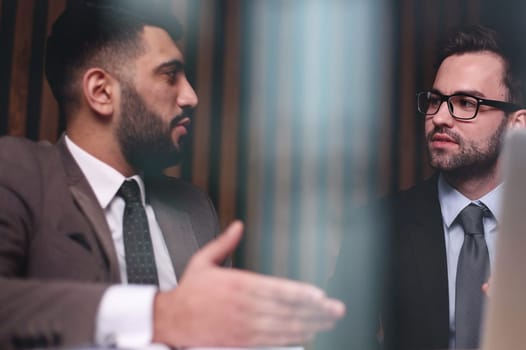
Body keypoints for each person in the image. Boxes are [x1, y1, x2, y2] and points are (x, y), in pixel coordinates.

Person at [0, 1, 345, 349]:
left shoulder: (193, 208)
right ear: (102, 92)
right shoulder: (21, 174)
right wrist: (158, 314)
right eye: (169, 75)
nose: (190, 96)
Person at [320, 24, 526, 350]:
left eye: (465, 103)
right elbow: (335, 341)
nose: (441, 117)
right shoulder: (378, 226)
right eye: (435, 101)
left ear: (516, 124)